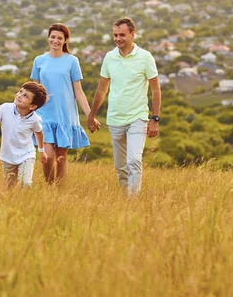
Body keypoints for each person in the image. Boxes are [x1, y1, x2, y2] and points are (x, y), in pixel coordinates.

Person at [87, 17, 161, 196]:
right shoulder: (109, 58)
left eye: (122, 35)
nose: (118, 38)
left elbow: (156, 89)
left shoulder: (145, 57)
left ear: (132, 34)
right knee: (121, 166)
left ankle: (133, 200)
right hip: (115, 119)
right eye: (115, 35)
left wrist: (155, 119)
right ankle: (125, 196)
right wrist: (91, 115)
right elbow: (102, 89)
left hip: (138, 117)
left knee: (134, 160)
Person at [30, 23, 91, 184]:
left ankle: (59, 193)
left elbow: (78, 91)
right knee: (48, 156)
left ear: (65, 41)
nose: (55, 40)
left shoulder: (72, 61)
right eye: (53, 37)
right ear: (48, 38)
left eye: (59, 38)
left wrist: (90, 115)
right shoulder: (39, 60)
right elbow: (33, 90)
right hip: (44, 115)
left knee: (61, 158)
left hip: (65, 114)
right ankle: (49, 186)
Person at [0, 82, 48, 188]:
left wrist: (41, 151)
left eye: (25, 96)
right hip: (7, 156)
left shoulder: (35, 119)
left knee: (25, 184)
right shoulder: (4, 108)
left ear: (33, 106)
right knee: (9, 187)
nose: (19, 95)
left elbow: (39, 133)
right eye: (21, 91)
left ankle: (25, 202)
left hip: (26, 154)